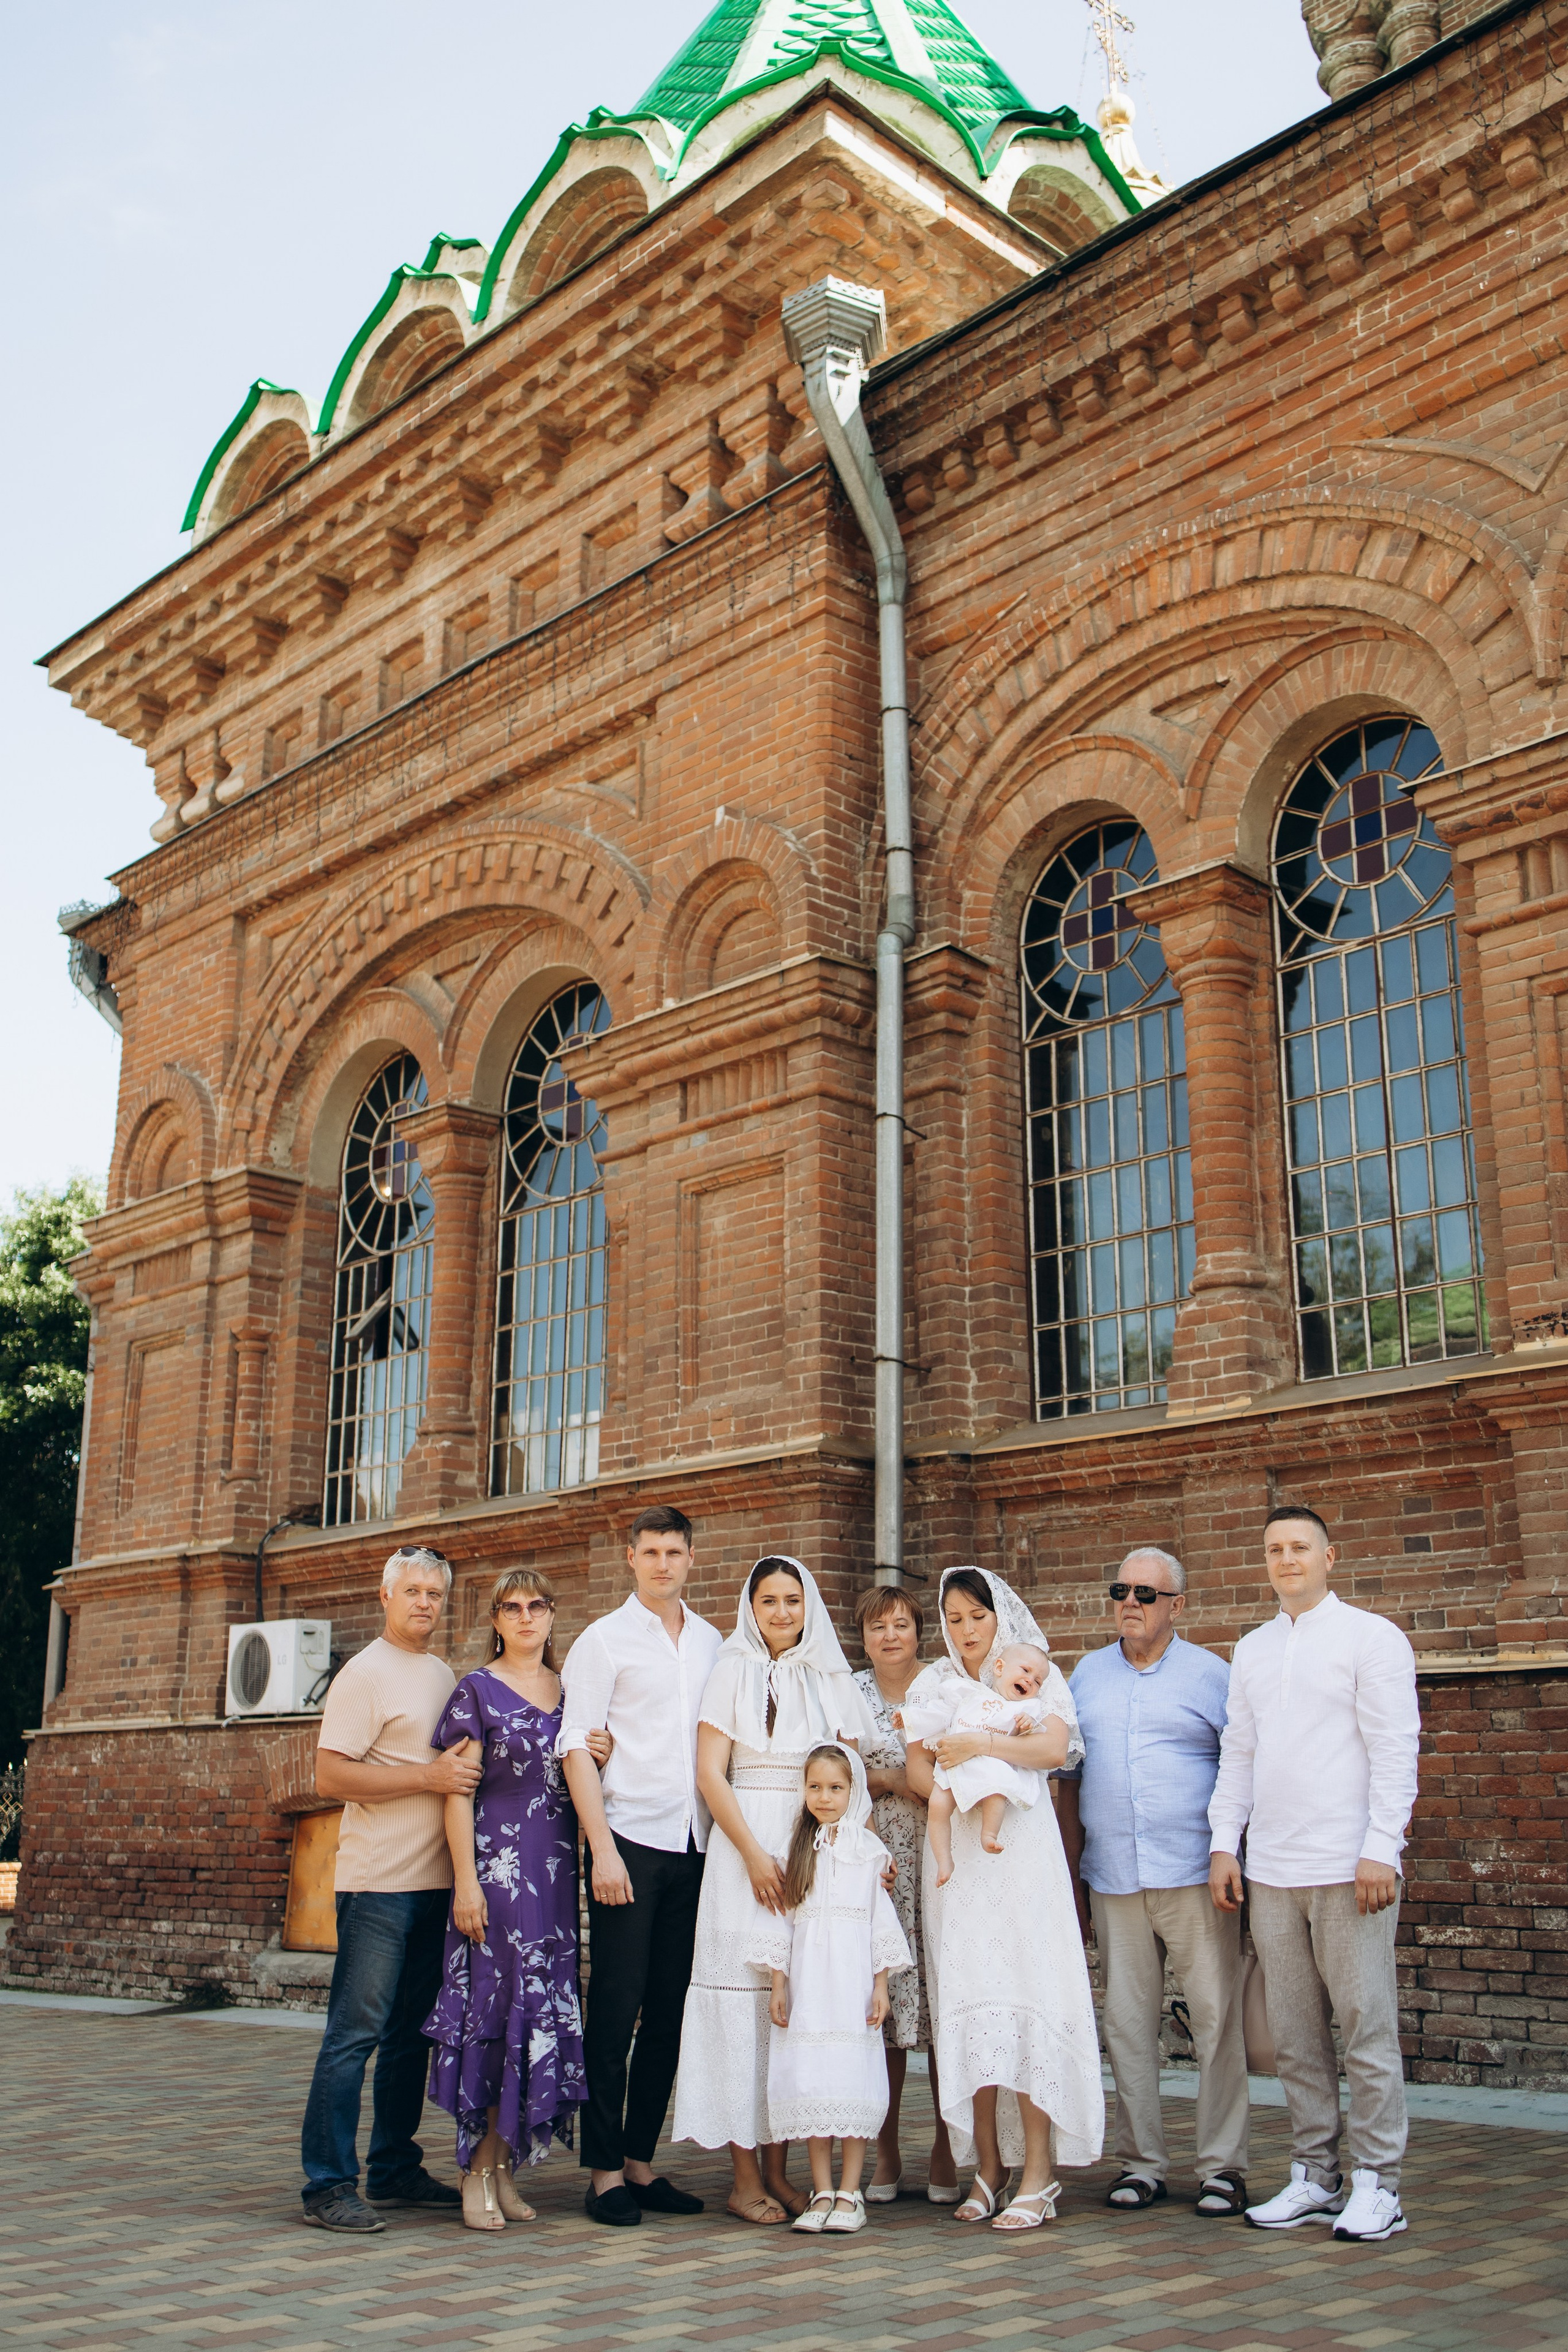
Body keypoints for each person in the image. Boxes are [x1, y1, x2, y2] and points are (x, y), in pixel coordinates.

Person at [1209, 1506, 1420, 2245]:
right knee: (1296, 2035)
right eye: (1274, 1549)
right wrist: (1222, 1843)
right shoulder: (1254, 1649)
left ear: (1331, 1556)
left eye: (1300, 1547)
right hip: (1271, 1868)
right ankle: (1314, 2175)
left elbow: (1395, 1748)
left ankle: (1378, 2184)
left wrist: (1381, 1847)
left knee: (1366, 2027)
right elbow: (1238, 1752)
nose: (1286, 1559)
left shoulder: (1371, 1638)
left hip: (1347, 1867)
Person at [672, 1553, 873, 2223]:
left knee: (791, 2008)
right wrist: (755, 1856)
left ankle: (788, 2174)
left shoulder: (829, 1675)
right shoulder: (730, 1671)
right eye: (769, 1601)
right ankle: (743, 2177)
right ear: (750, 1608)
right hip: (743, 1853)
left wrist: (852, 1850)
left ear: (807, 1606)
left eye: (793, 1600)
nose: (782, 1612)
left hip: (810, 1851)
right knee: (740, 2008)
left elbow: (854, 1776)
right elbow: (709, 1774)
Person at [905, 1566, 1104, 2233]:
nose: (965, 1632)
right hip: (958, 1862)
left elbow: (1053, 1747)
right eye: (954, 1618)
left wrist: (983, 1744)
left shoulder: (1030, 1672)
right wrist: (948, 1770)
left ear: (1001, 1618)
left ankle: (1040, 2172)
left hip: (1021, 1853)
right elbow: (915, 1762)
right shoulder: (935, 1681)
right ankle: (987, 2167)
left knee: (1029, 1995)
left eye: (977, 1618)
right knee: (975, 1997)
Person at [1061, 1547, 1248, 2217]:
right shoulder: (1085, 1676)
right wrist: (1069, 1872)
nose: (1130, 1603)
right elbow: (1069, 1781)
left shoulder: (1211, 1676)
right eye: (1121, 1591)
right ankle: (1141, 2164)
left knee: (1215, 2021)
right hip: (1113, 1878)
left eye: (1146, 1593)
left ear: (1177, 1604)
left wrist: (1231, 1853)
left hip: (1196, 1875)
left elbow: (1241, 1770)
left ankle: (1222, 2168)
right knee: (1126, 2025)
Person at [300, 1545, 476, 2233]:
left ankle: (394, 2167)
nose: (425, 1602)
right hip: (378, 1885)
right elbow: (330, 1778)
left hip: (435, 1883)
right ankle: (326, 2185)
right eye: (412, 1591)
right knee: (355, 2034)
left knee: (410, 2036)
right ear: (386, 1597)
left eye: (434, 1592)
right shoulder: (363, 1675)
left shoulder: (439, 1672)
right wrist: (425, 1779)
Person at [558, 1502, 721, 2228]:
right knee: (615, 2011)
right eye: (650, 1552)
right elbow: (574, 1747)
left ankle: (640, 2163)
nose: (662, 1564)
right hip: (629, 1845)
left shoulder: (715, 1641)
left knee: (669, 2016)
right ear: (631, 1558)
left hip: (697, 1846)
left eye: (674, 1552)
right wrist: (602, 1848)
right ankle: (601, 2174)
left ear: (691, 1559)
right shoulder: (603, 1641)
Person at [422, 1566, 592, 2231]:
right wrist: (466, 1882)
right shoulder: (477, 1691)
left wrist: (596, 1747)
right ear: (495, 1619)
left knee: (536, 2018)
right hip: (498, 1873)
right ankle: (474, 2173)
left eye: (537, 1606)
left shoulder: (572, 1692)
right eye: (511, 1608)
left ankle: (505, 2168)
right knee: (495, 2020)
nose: (525, 1618)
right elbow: (456, 1792)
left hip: (553, 1880)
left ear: (552, 1615)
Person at [748, 1743, 913, 2236]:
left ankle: (850, 2192)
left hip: (853, 1987)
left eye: (835, 1788)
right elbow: (780, 1922)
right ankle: (821, 2189)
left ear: (853, 1791)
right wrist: (779, 1983)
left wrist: (881, 1985)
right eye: (815, 1787)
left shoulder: (870, 1855)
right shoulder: (792, 1850)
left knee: (851, 2081)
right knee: (815, 2083)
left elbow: (881, 1922)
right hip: (810, 1990)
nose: (824, 1797)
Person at [852, 1587, 958, 2204]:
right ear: (863, 1637)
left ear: (919, 1631)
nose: (889, 1636)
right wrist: (895, 1779)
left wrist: (890, 1777)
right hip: (878, 1860)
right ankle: (886, 2152)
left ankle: (947, 2148)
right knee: (885, 2007)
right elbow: (834, 1768)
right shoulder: (851, 1692)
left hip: (944, 1857)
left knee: (945, 2004)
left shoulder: (943, 1686)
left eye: (900, 1624)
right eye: (876, 1627)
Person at [900, 1642, 1050, 1880]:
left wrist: (1027, 1725)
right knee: (938, 1805)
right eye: (1025, 1671)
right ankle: (944, 1860)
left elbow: (1035, 1736)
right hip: (955, 1766)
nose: (1031, 1680)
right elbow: (938, 1714)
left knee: (996, 1796)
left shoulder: (1025, 1708)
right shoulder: (968, 1692)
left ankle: (989, 1834)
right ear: (1000, 1668)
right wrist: (909, 1719)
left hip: (991, 1768)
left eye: (1038, 1680)